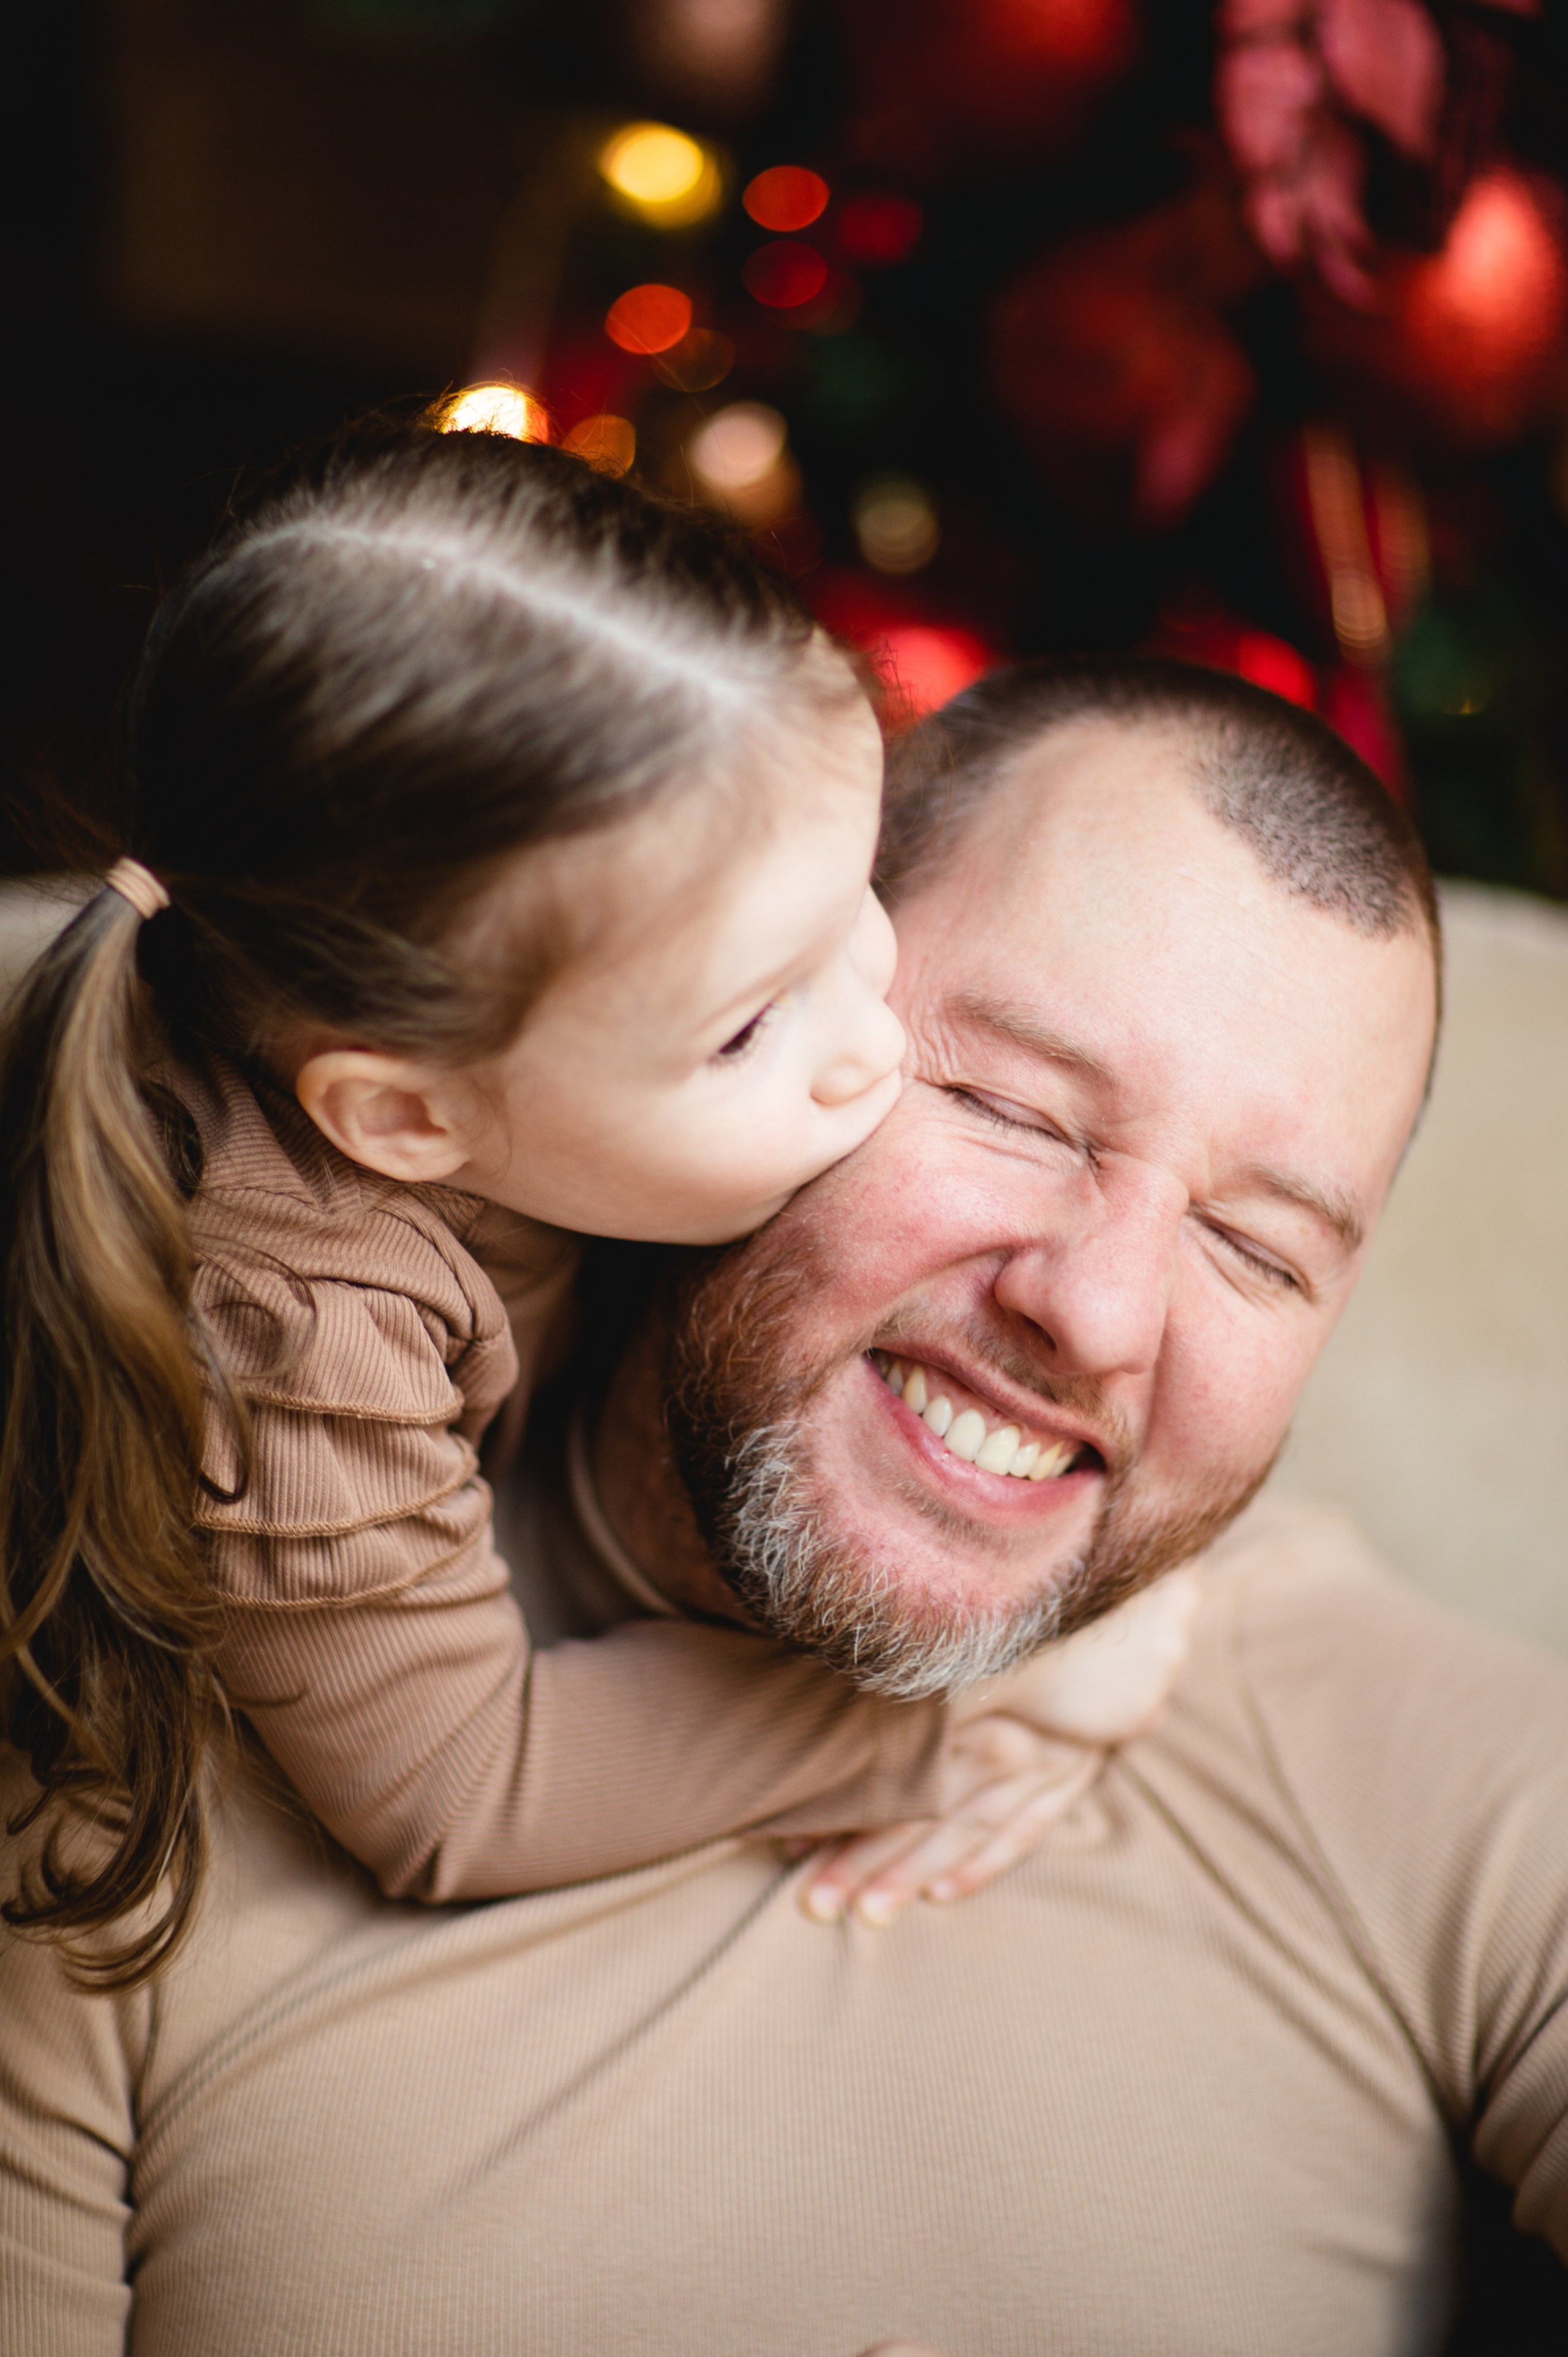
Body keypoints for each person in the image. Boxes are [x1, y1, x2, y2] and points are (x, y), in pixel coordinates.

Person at [6, 655, 1568, 2357]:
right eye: (1010, 1108)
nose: (1100, 1315)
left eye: (1259, 1248)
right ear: (737, 1018)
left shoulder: (1427, 1768)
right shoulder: (125, 1747)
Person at [0, 424, 1175, 1989]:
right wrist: (948, 1699)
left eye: (858, 902)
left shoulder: (561, 1039)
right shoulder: (289, 1326)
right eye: (752, 1022)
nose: (872, 1041)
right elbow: (457, 1791)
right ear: (409, 1118)